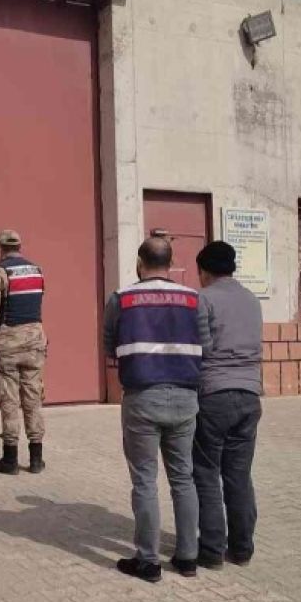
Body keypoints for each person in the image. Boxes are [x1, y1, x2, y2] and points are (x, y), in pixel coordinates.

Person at [102, 237, 205, 582]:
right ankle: (188, 557)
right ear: (171, 263)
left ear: (139, 263)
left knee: (145, 480)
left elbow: (110, 347)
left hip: (142, 397)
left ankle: (148, 561)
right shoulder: (194, 299)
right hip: (185, 397)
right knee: (183, 478)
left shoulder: (121, 299)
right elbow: (205, 344)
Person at [190, 241, 263, 569]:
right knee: (239, 474)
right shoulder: (252, 300)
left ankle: (211, 550)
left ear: (204, 271)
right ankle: (242, 548)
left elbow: (202, 348)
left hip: (214, 395)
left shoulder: (203, 299)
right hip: (249, 395)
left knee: (206, 473)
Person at [0, 230, 48, 475]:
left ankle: (10, 459)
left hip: (6, 346)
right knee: (33, 398)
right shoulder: (37, 271)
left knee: (9, 401)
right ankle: (36, 459)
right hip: (35, 342)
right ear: (19, 246)